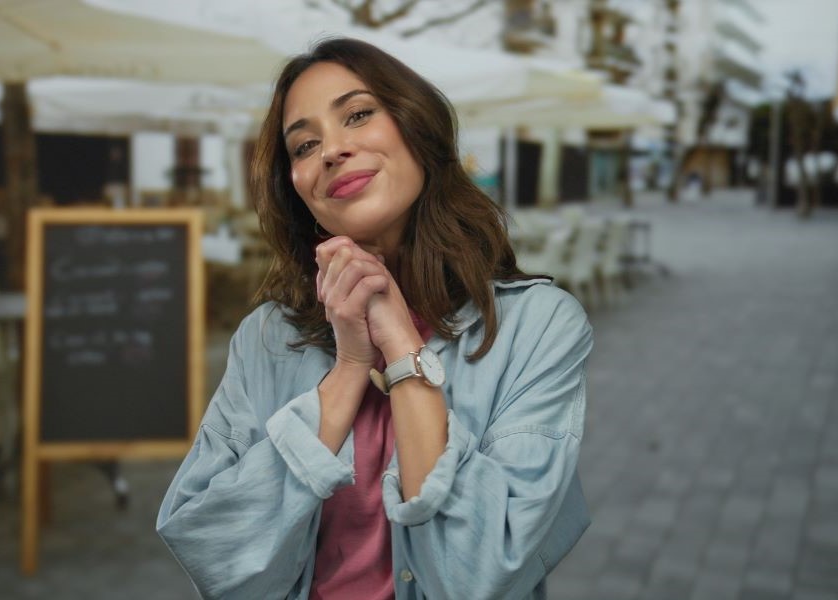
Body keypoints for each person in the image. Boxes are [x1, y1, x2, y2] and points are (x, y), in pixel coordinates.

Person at [157, 37, 593, 600]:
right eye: (305, 145)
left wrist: (402, 348)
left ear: (418, 129)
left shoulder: (538, 327)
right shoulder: (266, 338)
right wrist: (348, 370)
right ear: (298, 190)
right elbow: (216, 555)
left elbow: (481, 573)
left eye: (358, 115)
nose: (331, 151)